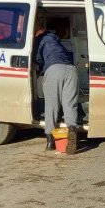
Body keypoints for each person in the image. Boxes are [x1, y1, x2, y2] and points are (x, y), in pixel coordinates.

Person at [34, 23, 79, 154]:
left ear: (38, 33)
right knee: (70, 104)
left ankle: (50, 141)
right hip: (71, 70)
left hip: (54, 69)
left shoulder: (41, 39)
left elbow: (38, 58)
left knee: (52, 105)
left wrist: (41, 69)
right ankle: (72, 130)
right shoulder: (56, 40)